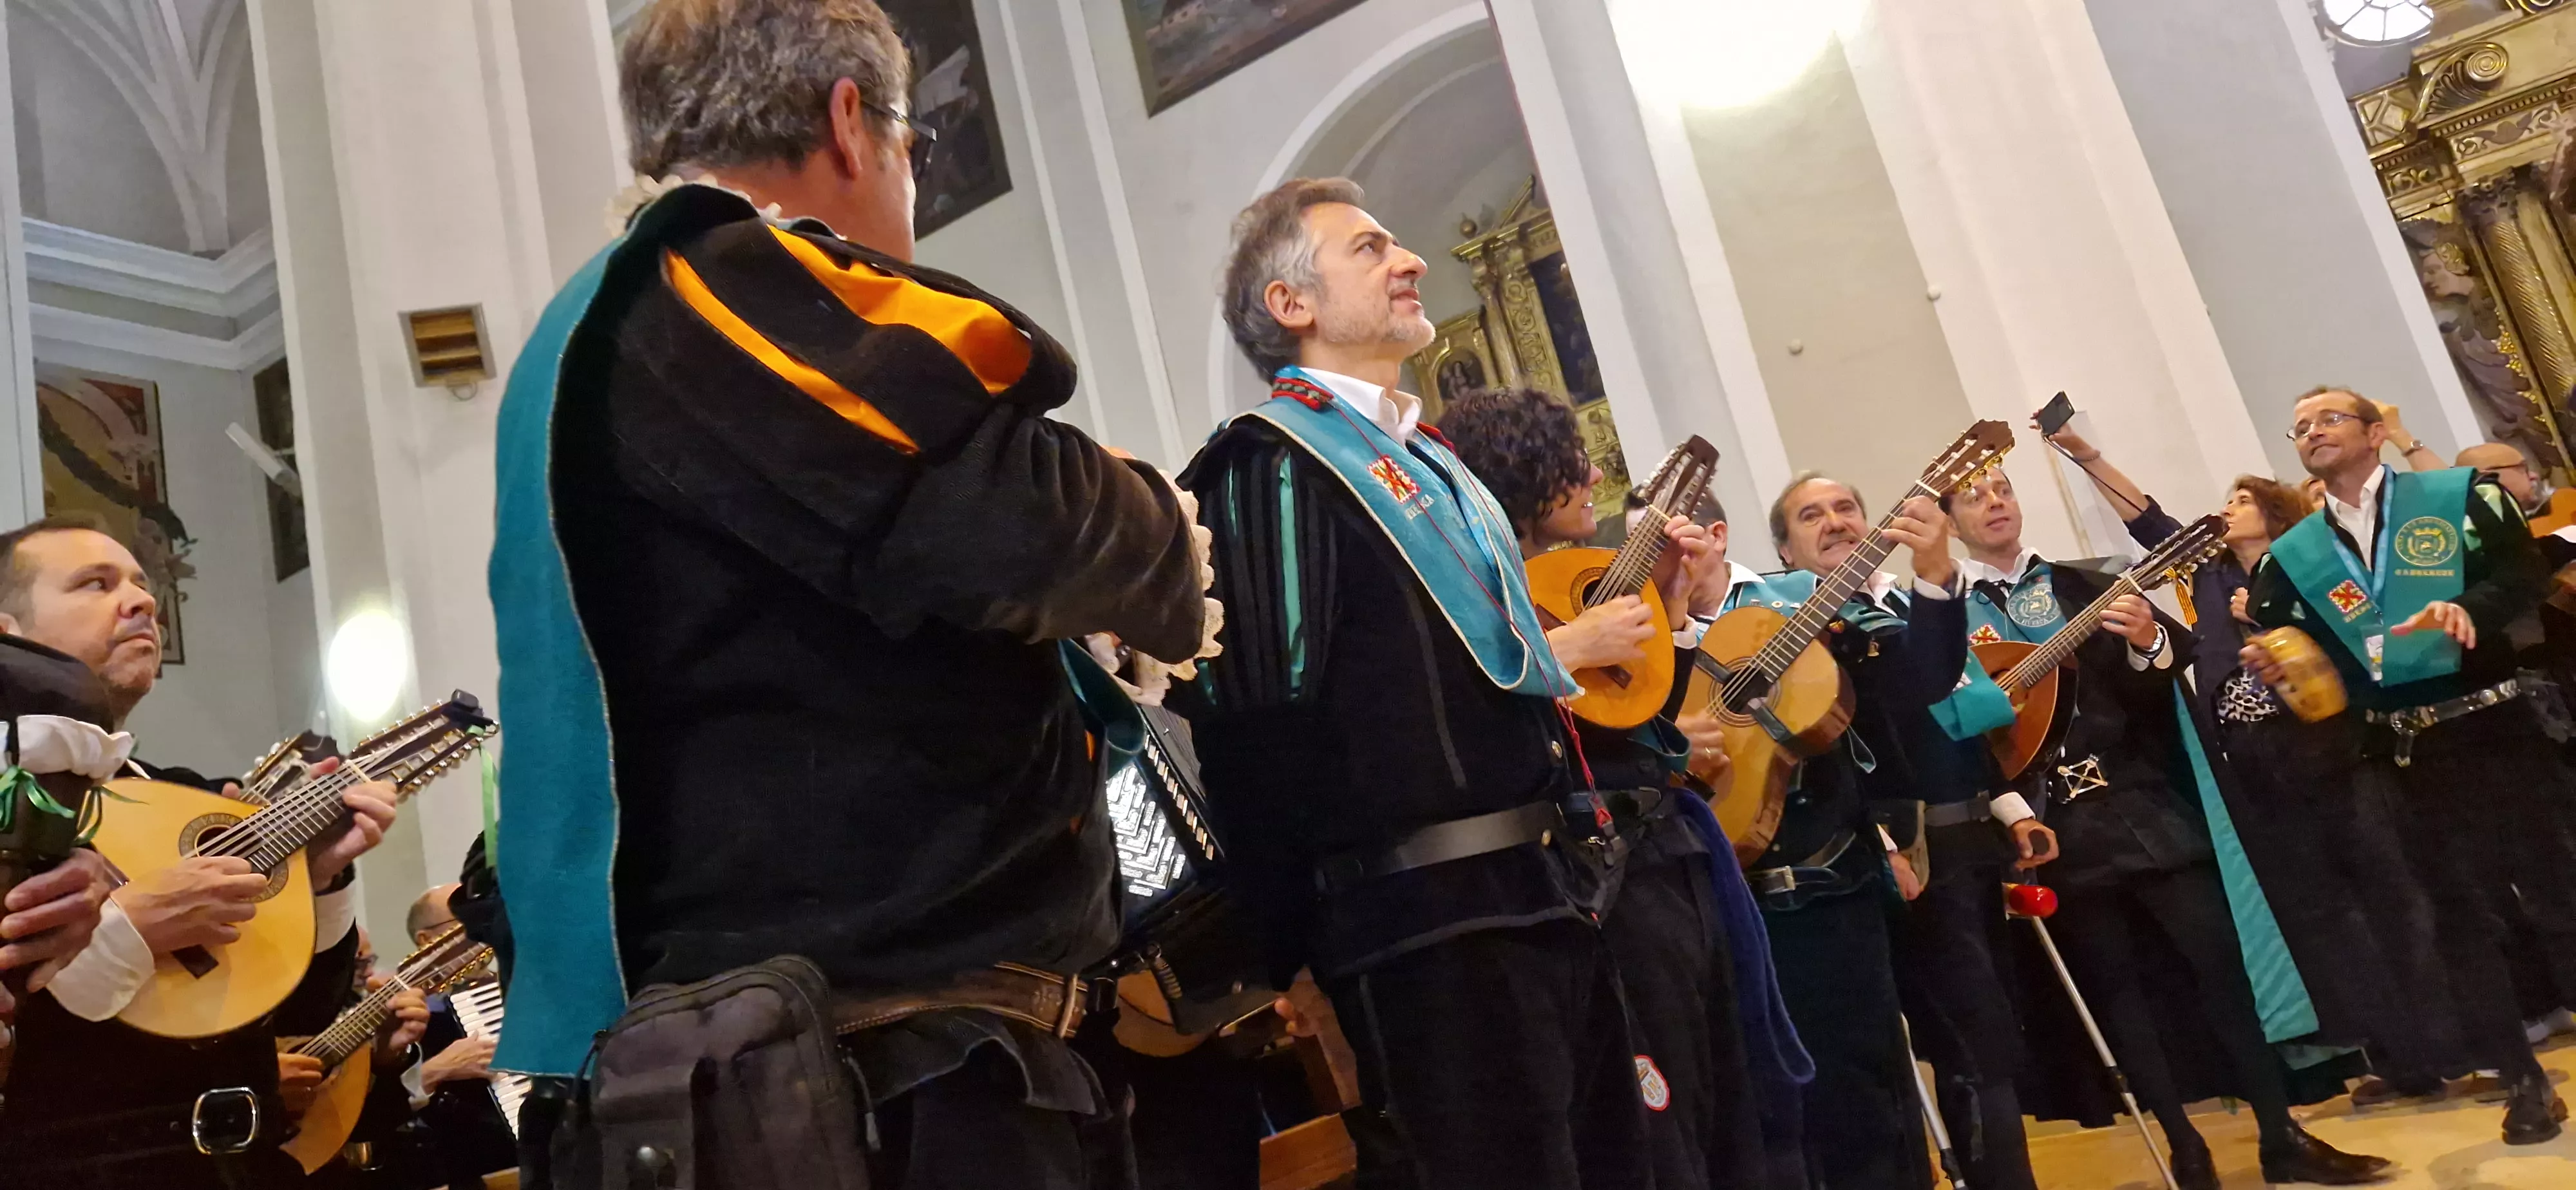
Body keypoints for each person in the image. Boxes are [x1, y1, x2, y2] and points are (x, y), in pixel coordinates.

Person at [486, 1, 1216, 1183]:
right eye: (912, 147)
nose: (911, 186)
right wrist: (1157, 528)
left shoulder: (605, 327)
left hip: (825, 1060)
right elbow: (1021, 521)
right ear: (848, 121)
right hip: (892, 1080)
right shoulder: (722, 273)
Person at [1178, 179, 1648, 1188]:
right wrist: (1296, 960)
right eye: (1370, 248)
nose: (1413, 260)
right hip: (1420, 923)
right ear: (1290, 305)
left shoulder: (1436, 464)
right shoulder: (1267, 465)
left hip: (1549, 889)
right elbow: (1256, 723)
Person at [1943, 469, 2382, 1187]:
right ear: (1950, 522)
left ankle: (2279, 1134)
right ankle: (2183, 1146)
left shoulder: (2081, 584)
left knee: (2220, 967)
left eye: (2002, 489)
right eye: (1973, 496)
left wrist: (2148, 638)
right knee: (2118, 989)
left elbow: (2165, 668)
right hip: (2052, 824)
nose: (1995, 503)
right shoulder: (1941, 617)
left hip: (2141, 805)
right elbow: (1957, 733)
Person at [2047, 426, 2474, 1105]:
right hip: (2253, 763)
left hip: (2332, 746)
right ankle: (2391, 1058)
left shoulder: (2310, 564)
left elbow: (2370, 637)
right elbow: (2147, 519)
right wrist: (2084, 453)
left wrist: (2273, 624)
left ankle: (2451, 1042)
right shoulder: (2208, 573)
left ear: (2273, 511)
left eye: (2240, 498)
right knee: (2320, 912)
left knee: (2393, 895)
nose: (2227, 508)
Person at [0, 516, 401, 1189]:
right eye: (94, 584)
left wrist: (324, 878)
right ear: (9, 633)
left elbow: (300, 1017)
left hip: (255, 1164)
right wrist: (128, 930)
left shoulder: (187, 799)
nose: (142, 601)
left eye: (140, 584)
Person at [1440, 386, 1766, 1190]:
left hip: (1668, 856)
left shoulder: (1578, 579)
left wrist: (1677, 611)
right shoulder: (1483, 595)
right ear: (1521, 470)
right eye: (1568, 458)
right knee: (1655, 1113)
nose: (1591, 473)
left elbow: (1646, 726)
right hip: (1595, 880)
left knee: (1715, 1089)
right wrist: (1573, 649)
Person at [2243, 386, 2575, 1142]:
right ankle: (2521, 1079)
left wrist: (2474, 611)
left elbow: (2526, 573)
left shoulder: (2457, 498)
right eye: (2297, 428)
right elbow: (2286, 638)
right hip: (2404, 749)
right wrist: (2279, 664)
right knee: (2460, 915)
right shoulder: (2294, 556)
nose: (2310, 433)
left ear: (2373, 431)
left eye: (2327, 418)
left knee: (2558, 886)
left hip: (2494, 723)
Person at [1739, 473, 1964, 1190]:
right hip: (1822, 879)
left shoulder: (1893, 615)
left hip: (1927, 848)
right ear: (1782, 546)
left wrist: (1934, 575)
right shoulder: (1760, 628)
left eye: (1846, 509)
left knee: (1965, 1045)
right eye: (1812, 515)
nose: (1834, 521)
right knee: (1849, 1073)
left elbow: (1929, 684)